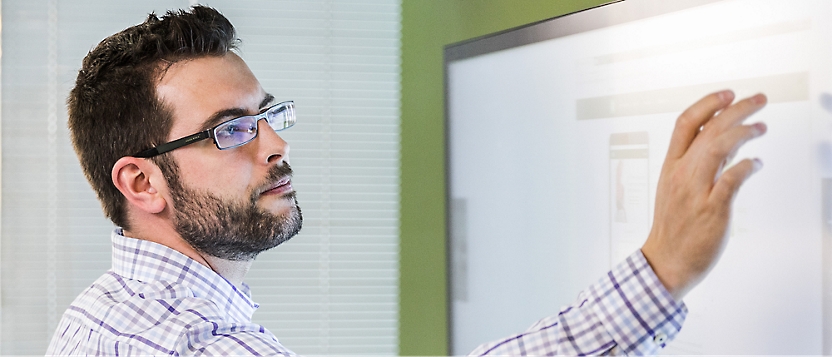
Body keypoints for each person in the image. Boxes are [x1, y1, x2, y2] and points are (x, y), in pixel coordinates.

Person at [46, 6, 768, 356]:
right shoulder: (199, 345)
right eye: (232, 129)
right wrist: (663, 269)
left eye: (268, 116)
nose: (274, 143)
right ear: (141, 182)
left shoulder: (103, 313)